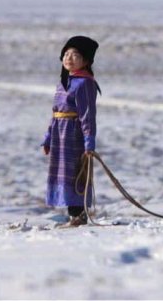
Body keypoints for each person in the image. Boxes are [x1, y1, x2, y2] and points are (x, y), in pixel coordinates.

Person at [41, 35, 101, 227]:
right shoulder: (63, 83)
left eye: (75, 55)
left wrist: (89, 142)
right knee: (63, 174)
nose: (69, 58)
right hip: (60, 135)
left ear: (86, 61)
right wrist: (48, 138)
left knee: (76, 173)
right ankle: (72, 215)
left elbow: (87, 115)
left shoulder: (85, 83)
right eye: (66, 54)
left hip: (74, 135)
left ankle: (79, 215)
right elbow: (55, 113)